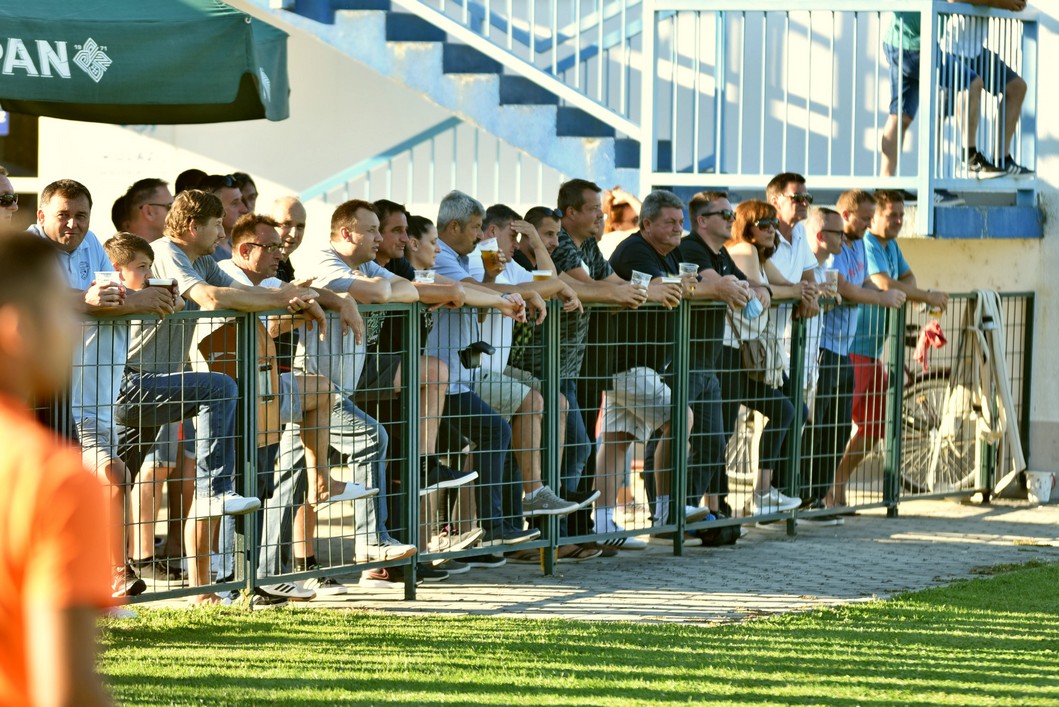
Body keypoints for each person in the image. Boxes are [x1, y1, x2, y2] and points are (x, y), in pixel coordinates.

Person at [115, 189, 324, 604]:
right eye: (217, 226)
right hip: (132, 383)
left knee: (114, 482)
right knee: (220, 387)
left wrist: (294, 297)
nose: (222, 233)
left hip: (161, 386)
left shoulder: (203, 259)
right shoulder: (166, 252)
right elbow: (212, 298)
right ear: (194, 226)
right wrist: (282, 298)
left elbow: (245, 292)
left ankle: (199, 588)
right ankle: (214, 489)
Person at [220, 213, 381, 599]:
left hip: (267, 387)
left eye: (280, 246)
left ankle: (320, 483)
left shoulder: (270, 280)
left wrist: (339, 300)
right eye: (271, 247)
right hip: (227, 391)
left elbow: (296, 295)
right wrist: (290, 301)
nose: (281, 252)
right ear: (246, 250)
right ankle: (230, 582)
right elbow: (270, 310)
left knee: (264, 478)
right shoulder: (227, 272)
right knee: (231, 487)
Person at [31, 179, 177, 601]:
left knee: (87, 493)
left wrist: (155, 296)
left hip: (100, 399)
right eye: (63, 215)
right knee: (113, 477)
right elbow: (64, 298)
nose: (73, 224)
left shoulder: (92, 243)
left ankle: (88, 581)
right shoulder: (30, 249)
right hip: (55, 401)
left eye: (80, 215)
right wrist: (133, 300)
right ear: (42, 216)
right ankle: (114, 575)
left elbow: (106, 293)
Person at [0, 232, 114, 707]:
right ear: (17, 328)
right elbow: (66, 693)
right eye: (61, 310)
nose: (73, 329)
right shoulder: (55, 479)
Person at [425, 190, 543, 561]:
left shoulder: (462, 257)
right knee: (440, 457)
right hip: (435, 379)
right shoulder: (442, 257)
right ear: (455, 226)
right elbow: (463, 292)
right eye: (476, 228)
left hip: (455, 378)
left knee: (482, 439)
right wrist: (504, 297)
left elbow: (472, 300)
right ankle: (480, 531)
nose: (480, 236)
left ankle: (484, 531)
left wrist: (500, 292)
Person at [545, 178, 649, 551]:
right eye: (593, 209)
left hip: (574, 364)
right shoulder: (558, 244)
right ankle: (557, 533)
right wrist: (622, 293)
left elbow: (609, 281)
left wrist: (639, 291)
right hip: (549, 365)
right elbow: (587, 286)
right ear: (569, 212)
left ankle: (573, 529)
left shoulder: (587, 242)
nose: (599, 215)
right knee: (572, 447)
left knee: (577, 446)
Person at [830, 190, 948, 508]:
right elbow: (882, 282)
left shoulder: (891, 245)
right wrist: (926, 296)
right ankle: (824, 491)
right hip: (851, 346)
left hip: (872, 351)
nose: (897, 220)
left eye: (901, 215)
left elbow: (904, 276)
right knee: (837, 423)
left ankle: (837, 479)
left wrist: (911, 289)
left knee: (877, 423)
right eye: (891, 215)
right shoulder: (867, 243)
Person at [799, 190, 906, 523]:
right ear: (845, 216)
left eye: (872, 215)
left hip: (844, 349)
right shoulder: (832, 247)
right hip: (823, 347)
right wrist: (881, 299)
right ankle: (804, 498)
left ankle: (820, 496)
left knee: (838, 426)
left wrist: (887, 293)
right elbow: (840, 285)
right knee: (817, 424)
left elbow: (862, 284)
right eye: (864, 217)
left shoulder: (858, 243)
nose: (869, 222)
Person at [597, 190, 693, 536]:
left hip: (638, 365)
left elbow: (679, 285)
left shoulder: (672, 251)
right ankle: (668, 510)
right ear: (647, 223)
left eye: (681, 223)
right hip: (626, 364)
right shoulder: (636, 249)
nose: (677, 229)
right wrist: (682, 285)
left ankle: (604, 522)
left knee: (617, 440)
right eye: (670, 222)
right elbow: (660, 288)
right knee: (680, 418)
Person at [674, 191, 755, 531]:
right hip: (683, 358)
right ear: (702, 220)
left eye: (732, 213)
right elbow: (721, 285)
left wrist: (747, 288)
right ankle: (665, 513)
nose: (731, 219)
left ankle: (688, 510)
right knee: (672, 435)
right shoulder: (692, 247)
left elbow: (745, 285)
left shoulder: (720, 252)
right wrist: (735, 287)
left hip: (709, 360)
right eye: (724, 214)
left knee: (714, 441)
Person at [880, 3, 1031, 180]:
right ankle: (967, 161)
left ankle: (886, 187)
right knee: (970, 86)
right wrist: (1003, 3)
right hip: (916, 46)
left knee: (901, 115)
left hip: (913, 42)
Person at [721, 200, 799, 518]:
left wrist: (805, 291)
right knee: (720, 431)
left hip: (745, 357)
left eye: (773, 224)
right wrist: (782, 291)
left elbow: (786, 287)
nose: (771, 230)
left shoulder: (759, 255)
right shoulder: (743, 249)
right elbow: (761, 292)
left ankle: (762, 493)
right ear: (747, 226)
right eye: (763, 225)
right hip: (729, 353)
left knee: (784, 409)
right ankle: (709, 504)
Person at [198, 174, 248, 260]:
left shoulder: (240, 243)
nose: (244, 209)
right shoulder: (204, 254)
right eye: (234, 203)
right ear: (212, 209)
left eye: (241, 201)